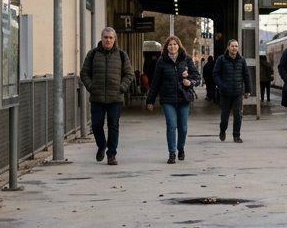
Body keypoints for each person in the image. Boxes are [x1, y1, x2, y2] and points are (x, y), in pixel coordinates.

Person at [80, 26, 134, 165]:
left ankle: (111, 155)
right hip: (97, 97)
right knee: (96, 125)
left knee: (113, 126)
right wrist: (91, 87)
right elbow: (84, 73)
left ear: (114, 39)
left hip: (115, 98)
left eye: (111, 38)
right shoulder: (92, 54)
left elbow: (129, 74)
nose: (108, 40)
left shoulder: (122, 55)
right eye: (106, 37)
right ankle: (102, 146)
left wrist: (121, 88)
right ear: (101, 38)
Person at [146, 35, 201, 164]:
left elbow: (197, 77)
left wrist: (190, 82)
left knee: (183, 127)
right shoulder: (162, 61)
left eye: (175, 44)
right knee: (171, 125)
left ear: (179, 46)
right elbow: (156, 82)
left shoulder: (186, 59)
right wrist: (150, 100)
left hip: (183, 98)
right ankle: (172, 153)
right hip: (167, 99)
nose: (173, 47)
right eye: (170, 45)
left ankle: (180, 148)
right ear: (166, 47)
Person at [213, 39, 247, 142]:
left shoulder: (241, 60)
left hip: (237, 93)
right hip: (225, 93)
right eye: (232, 46)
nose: (234, 48)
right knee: (225, 117)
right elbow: (215, 74)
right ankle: (222, 130)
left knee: (238, 115)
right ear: (228, 47)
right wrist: (221, 85)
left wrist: (248, 90)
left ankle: (236, 136)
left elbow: (246, 75)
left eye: (236, 46)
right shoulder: (221, 59)